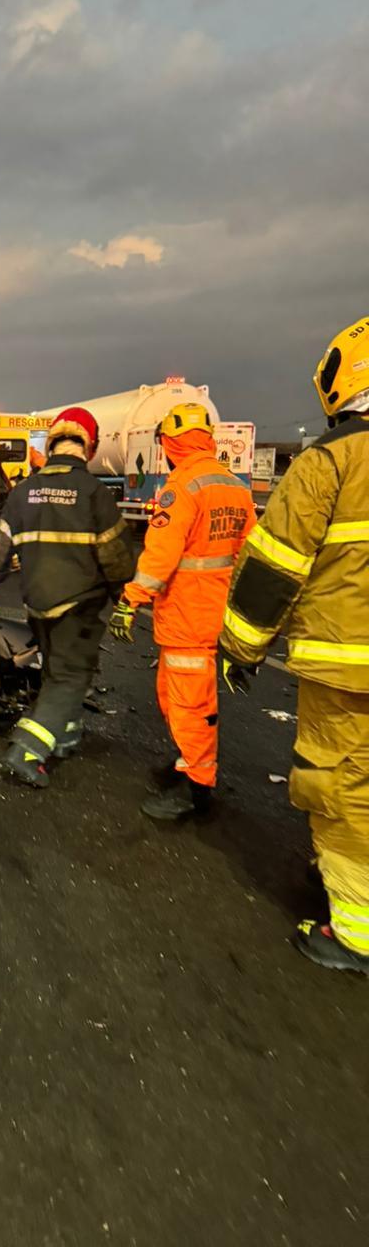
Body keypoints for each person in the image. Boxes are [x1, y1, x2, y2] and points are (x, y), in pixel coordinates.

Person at [219, 316, 369, 974]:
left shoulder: (331, 463)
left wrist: (240, 648)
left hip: (349, 666)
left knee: (344, 788)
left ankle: (356, 931)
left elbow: (274, 567)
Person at [0, 407, 136, 787]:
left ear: (51, 443)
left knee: (55, 671)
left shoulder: (23, 492)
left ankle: (64, 736)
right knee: (70, 677)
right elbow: (117, 559)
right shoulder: (94, 494)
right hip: (79, 606)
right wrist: (123, 597)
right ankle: (26, 750)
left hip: (37, 605)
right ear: (88, 448)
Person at [107, 402, 256, 821]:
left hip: (187, 616)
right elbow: (248, 553)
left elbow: (160, 554)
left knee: (188, 704)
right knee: (180, 699)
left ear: (172, 443)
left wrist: (130, 600)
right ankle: (187, 765)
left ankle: (196, 788)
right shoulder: (234, 486)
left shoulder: (182, 487)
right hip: (215, 613)